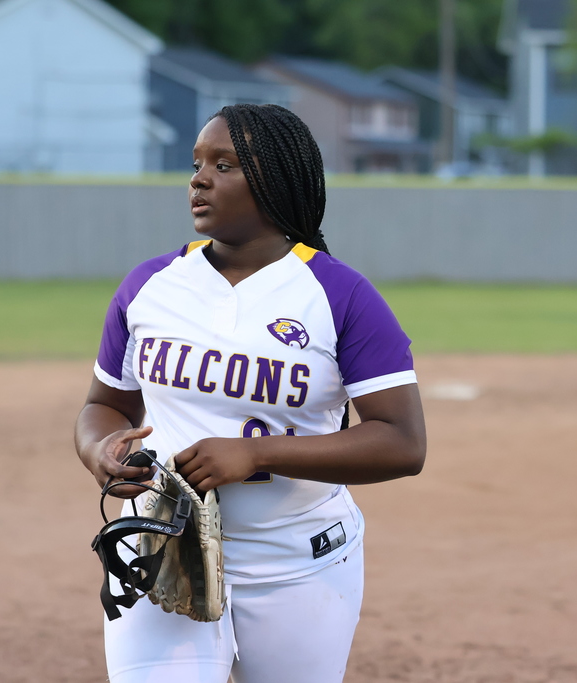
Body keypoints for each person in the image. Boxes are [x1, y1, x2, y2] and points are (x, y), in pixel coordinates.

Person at [74, 103, 426, 683]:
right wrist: (99, 451)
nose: (199, 178)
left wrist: (258, 453)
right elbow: (104, 404)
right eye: (196, 163)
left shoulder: (340, 295)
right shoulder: (151, 286)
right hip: (163, 546)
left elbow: (403, 443)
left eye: (225, 164)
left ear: (275, 181)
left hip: (298, 563)